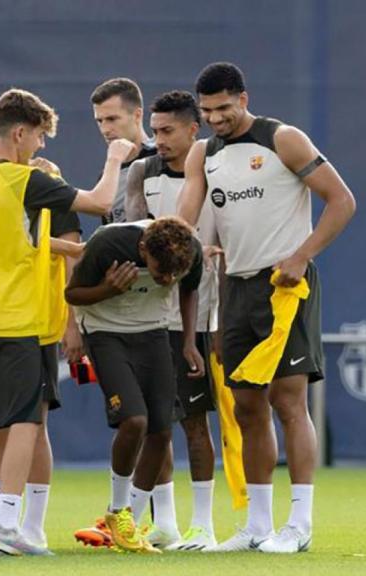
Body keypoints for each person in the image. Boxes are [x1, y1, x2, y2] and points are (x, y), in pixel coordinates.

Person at [0, 88, 132, 556]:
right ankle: (6, 530)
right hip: (12, 324)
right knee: (25, 423)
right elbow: (102, 201)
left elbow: (26, 239)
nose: (40, 147)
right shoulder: (24, 181)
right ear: (19, 132)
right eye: (39, 137)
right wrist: (115, 157)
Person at [178, 62, 355, 554]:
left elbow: (342, 201)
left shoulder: (283, 139)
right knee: (247, 406)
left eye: (223, 108)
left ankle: (299, 526)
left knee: (288, 402)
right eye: (207, 110)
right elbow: (185, 218)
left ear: (243, 98)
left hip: (284, 286)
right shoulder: (202, 154)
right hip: (234, 289)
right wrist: (169, 242)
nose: (215, 118)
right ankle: (257, 525)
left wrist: (302, 255)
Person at [66, 216, 205, 554]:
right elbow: (72, 293)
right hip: (105, 332)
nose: (167, 279)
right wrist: (107, 289)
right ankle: (117, 511)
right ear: (143, 248)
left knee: (161, 430)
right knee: (135, 420)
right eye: (161, 272)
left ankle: (129, 523)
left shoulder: (190, 249)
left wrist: (188, 341)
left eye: (174, 273)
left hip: (154, 331)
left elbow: (188, 290)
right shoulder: (107, 243)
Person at [123, 90, 220, 550]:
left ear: (192, 130)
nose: (158, 140)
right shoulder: (143, 172)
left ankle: (205, 524)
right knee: (158, 422)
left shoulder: (217, 169)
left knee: (195, 421)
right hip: (150, 318)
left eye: (167, 131)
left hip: (201, 317)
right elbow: (136, 234)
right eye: (155, 131)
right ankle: (166, 524)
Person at [91, 77, 157, 223]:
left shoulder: (165, 157)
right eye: (99, 121)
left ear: (137, 115)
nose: (105, 130)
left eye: (112, 119)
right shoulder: (108, 176)